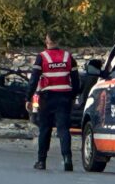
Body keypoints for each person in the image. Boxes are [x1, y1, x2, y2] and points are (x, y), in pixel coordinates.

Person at [25, 30, 80, 171]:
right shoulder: (68, 57)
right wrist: (73, 96)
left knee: (45, 129)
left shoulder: (42, 57)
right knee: (63, 129)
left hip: (46, 98)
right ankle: (67, 158)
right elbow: (75, 81)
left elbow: (34, 80)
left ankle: (41, 161)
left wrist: (28, 98)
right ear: (59, 41)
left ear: (47, 40)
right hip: (64, 97)